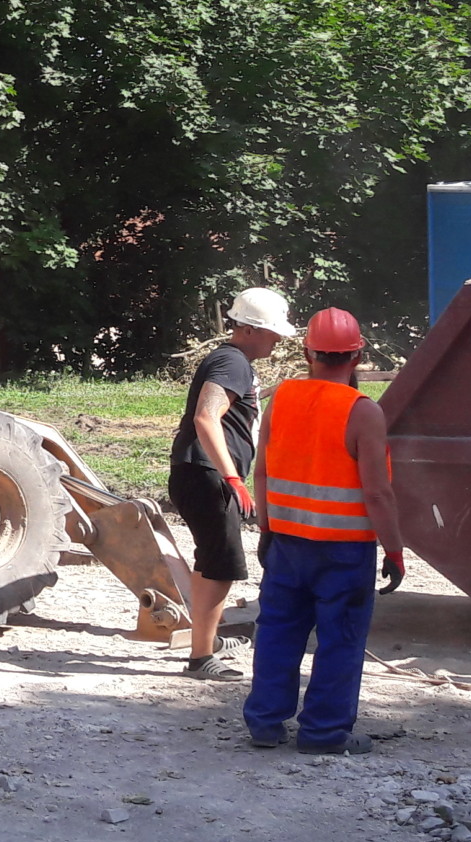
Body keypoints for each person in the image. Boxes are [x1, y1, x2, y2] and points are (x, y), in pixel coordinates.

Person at [243, 307, 406, 755]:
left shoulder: (282, 398)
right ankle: (323, 732)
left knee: (277, 631)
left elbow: (263, 471)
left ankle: (264, 723)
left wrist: (266, 528)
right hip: (344, 552)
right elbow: (378, 493)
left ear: (307, 353)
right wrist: (394, 551)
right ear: (358, 356)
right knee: (340, 640)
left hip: (286, 543)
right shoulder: (363, 412)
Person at [165, 287, 292, 678]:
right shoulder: (232, 362)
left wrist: (272, 392)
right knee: (222, 566)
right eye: (272, 331)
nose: (277, 339)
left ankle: (205, 641)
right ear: (249, 329)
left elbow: (234, 405)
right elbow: (206, 417)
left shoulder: (233, 362)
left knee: (211, 561)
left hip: (198, 473)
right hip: (208, 476)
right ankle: (201, 658)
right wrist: (232, 477)